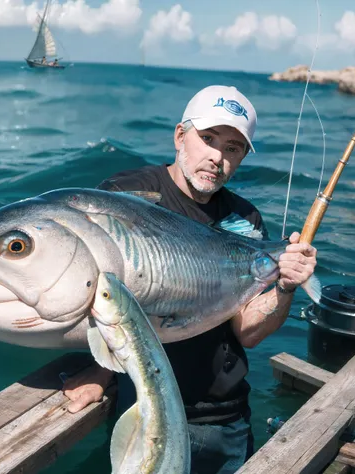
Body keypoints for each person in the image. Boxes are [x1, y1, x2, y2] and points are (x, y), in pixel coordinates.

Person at [62, 85, 317, 473]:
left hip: (225, 419)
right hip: (146, 409)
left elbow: (247, 331)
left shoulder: (245, 221)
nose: (217, 157)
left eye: (233, 148)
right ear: (181, 135)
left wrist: (285, 287)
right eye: (208, 139)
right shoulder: (125, 195)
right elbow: (102, 295)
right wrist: (101, 372)